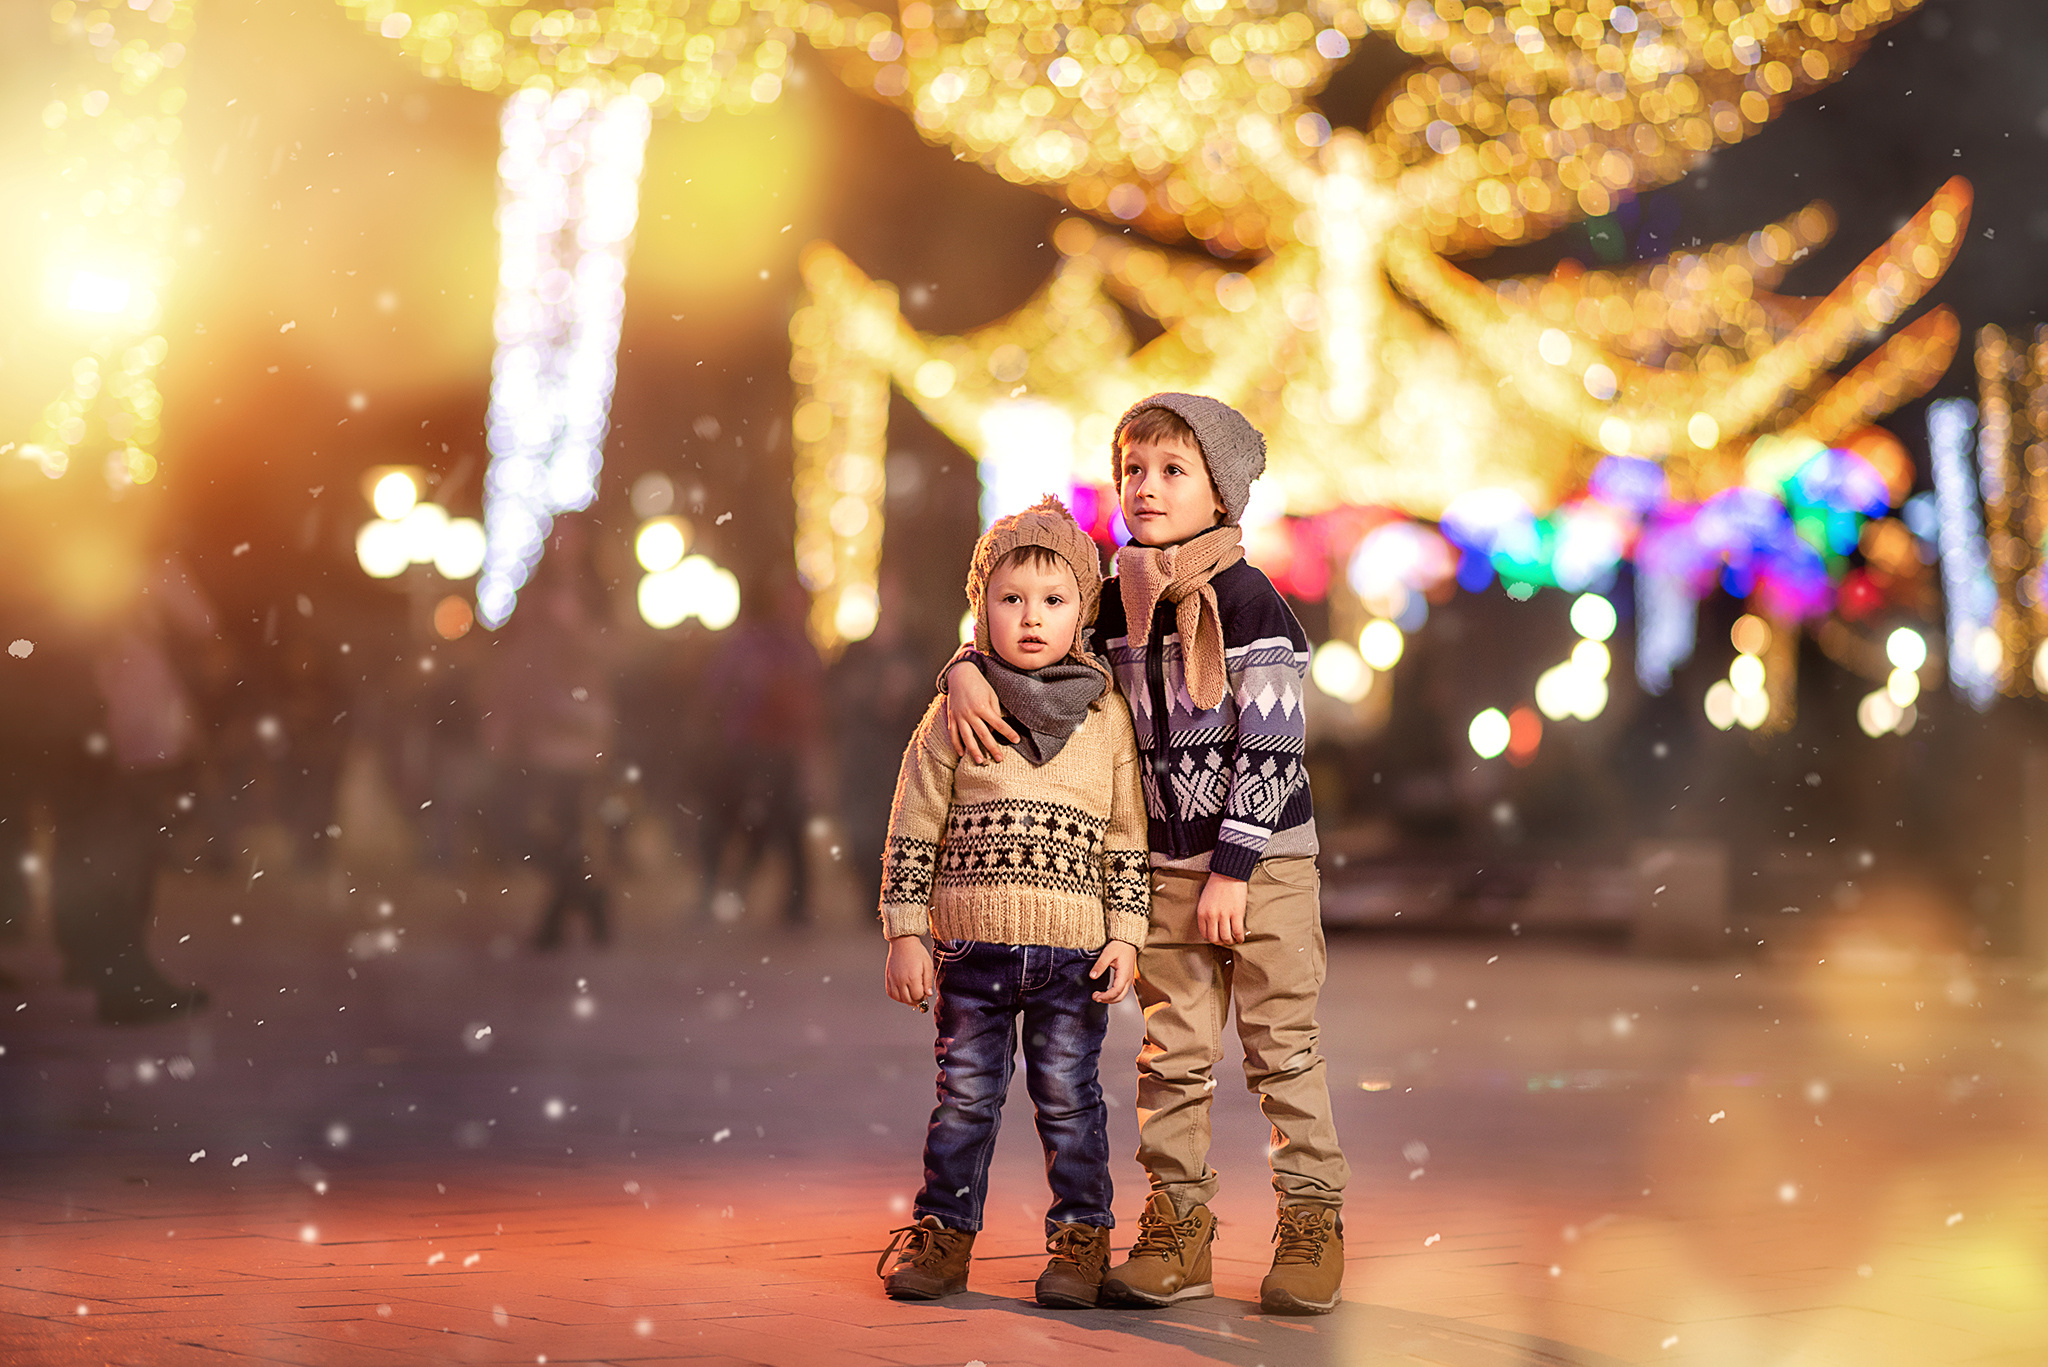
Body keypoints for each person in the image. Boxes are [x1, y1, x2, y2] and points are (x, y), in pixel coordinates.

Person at [943, 394, 1350, 1315]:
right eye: (1134, 469)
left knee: (1282, 1045)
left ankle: (1313, 1219)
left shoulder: (1253, 606)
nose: (1148, 487)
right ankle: (1179, 1224)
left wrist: (1236, 868)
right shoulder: (1117, 606)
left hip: (1264, 864)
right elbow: (1029, 649)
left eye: (1173, 470)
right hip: (1166, 870)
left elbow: (1273, 747)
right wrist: (964, 666)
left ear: (1222, 488)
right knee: (1172, 1053)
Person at [874, 497, 1149, 1309]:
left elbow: (1126, 834)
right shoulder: (956, 708)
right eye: (1011, 599)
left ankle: (1080, 1241)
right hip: (971, 950)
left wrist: (1126, 933)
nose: (1032, 618)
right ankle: (944, 1233)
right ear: (980, 607)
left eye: (1055, 600)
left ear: (1084, 609)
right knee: (965, 1095)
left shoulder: (1105, 717)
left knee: (1070, 1099)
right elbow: (913, 823)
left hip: (1072, 951)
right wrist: (906, 930)